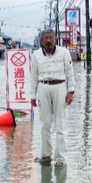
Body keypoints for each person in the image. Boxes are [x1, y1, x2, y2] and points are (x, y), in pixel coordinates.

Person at [30, 29, 75, 167]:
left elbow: (70, 73)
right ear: (41, 41)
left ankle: (60, 158)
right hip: (43, 88)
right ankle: (46, 155)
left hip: (60, 87)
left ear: (55, 39)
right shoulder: (36, 55)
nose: (48, 41)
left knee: (60, 124)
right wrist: (33, 95)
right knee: (45, 124)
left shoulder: (64, 53)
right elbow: (34, 77)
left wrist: (70, 91)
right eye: (46, 38)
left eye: (51, 38)